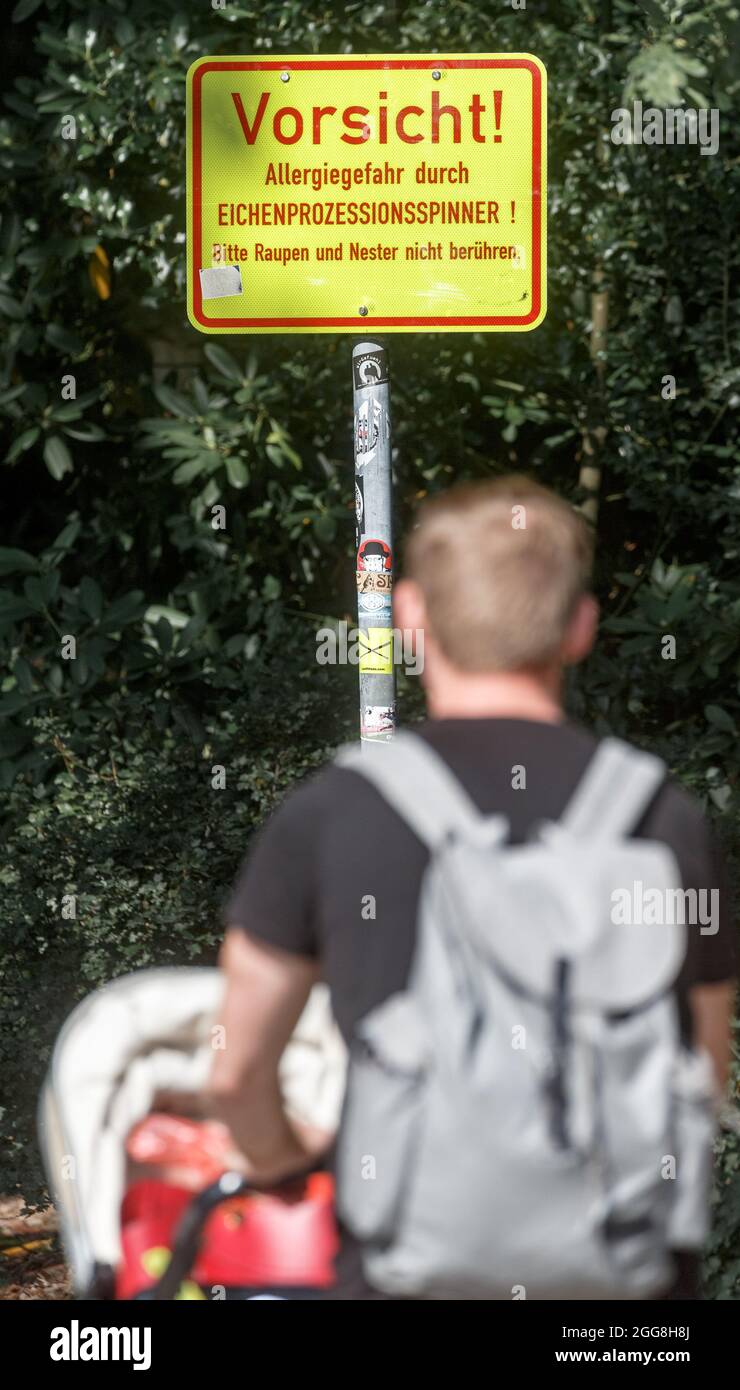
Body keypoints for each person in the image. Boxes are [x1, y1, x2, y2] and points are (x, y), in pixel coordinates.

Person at [208, 475, 735, 1299]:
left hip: (400, 1272)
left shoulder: (334, 812)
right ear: (581, 626)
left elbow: (236, 1070)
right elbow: (701, 1071)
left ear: (410, 617)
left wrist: (286, 1161)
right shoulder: (663, 820)